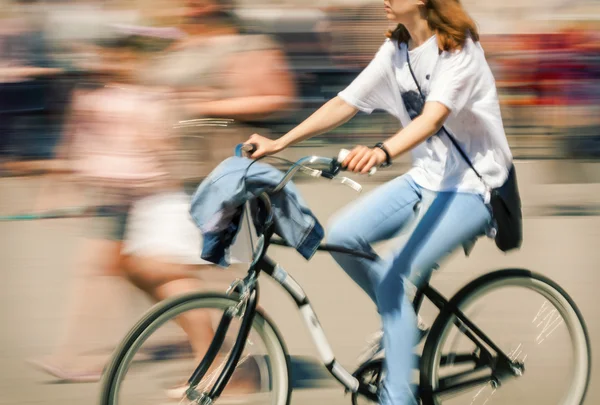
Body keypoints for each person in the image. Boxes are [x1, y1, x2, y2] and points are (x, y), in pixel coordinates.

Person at [245, 0, 513, 404]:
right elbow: (345, 102)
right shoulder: (397, 51)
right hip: (425, 181)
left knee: (393, 272)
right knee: (342, 235)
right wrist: (279, 142)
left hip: (475, 189)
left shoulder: (460, 51)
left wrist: (381, 152)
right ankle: (403, 318)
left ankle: (397, 396)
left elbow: (432, 118)